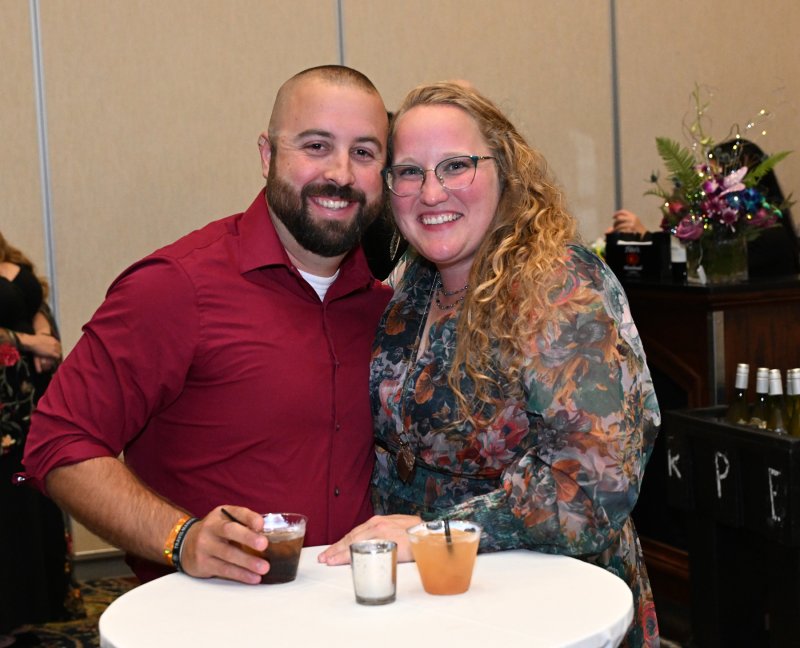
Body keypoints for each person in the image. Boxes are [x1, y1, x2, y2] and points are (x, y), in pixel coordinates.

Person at [318, 83, 661, 647]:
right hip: (437, 602)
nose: (431, 192)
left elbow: (595, 487)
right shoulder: (416, 285)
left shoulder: (557, 287)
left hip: (545, 605)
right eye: (408, 172)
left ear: (504, 169)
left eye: (456, 165)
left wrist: (438, 534)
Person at [21, 65, 392, 586]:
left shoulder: (386, 310)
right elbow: (58, 442)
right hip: (203, 618)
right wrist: (181, 537)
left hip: (349, 610)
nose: (341, 174)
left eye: (364, 152)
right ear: (267, 155)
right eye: (315, 145)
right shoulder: (176, 287)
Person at [1, 232, 84, 644]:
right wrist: (33, 341)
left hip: (29, 402)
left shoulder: (15, 262)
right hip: (3, 408)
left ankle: (29, 608)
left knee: (30, 496)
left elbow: (36, 304)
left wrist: (44, 331)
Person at [607, 139, 800, 278]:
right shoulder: (726, 229)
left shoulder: (769, 235)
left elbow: (702, 266)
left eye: (714, 177)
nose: (707, 187)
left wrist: (646, 237)